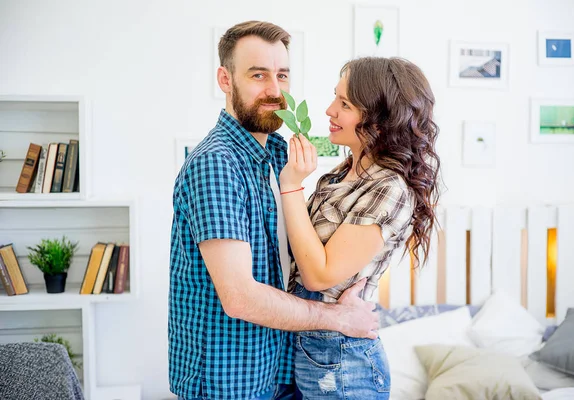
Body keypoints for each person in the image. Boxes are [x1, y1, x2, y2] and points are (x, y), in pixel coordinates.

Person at [168, 21, 379, 400]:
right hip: (230, 381)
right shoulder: (216, 164)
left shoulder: (281, 156)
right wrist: (339, 319)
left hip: (281, 368)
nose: (274, 90)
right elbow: (240, 297)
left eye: (281, 75)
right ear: (225, 79)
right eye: (258, 75)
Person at [279, 57, 441, 398]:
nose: (329, 110)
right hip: (310, 347)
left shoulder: (389, 188)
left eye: (345, 104)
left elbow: (319, 276)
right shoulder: (341, 173)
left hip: (343, 364)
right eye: (335, 98)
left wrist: (291, 186)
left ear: (382, 121)